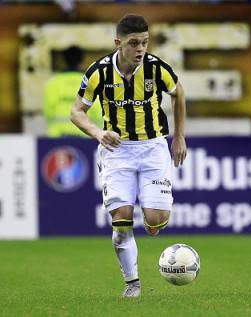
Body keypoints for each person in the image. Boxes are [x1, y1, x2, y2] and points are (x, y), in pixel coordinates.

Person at [70, 14, 187, 298]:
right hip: (117, 152)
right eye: (134, 43)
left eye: (144, 43)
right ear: (118, 43)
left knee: (156, 220)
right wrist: (99, 134)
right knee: (121, 219)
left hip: (153, 148)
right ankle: (132, 284)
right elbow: (76, 112)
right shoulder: (99, 72)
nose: (140, 49)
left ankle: (151, 217)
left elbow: (178, 93)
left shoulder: (156, 68)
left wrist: (179, 137)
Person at [44, 46, 102, 137]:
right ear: (81, 60)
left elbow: (48, 111)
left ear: (64, 60)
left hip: (58, 137)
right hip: (85, 135)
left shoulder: (53, 83)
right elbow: (97, 110)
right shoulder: (90, 82)